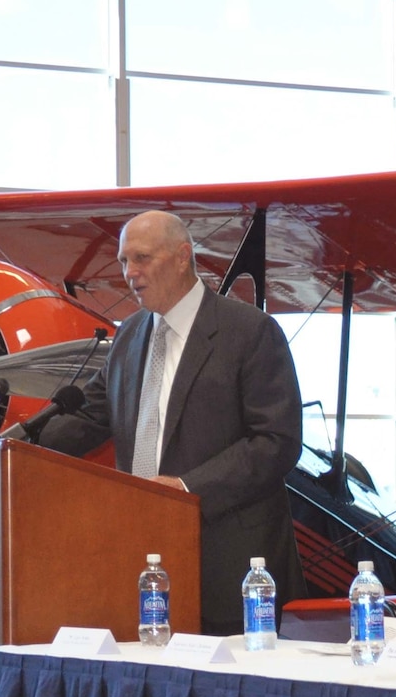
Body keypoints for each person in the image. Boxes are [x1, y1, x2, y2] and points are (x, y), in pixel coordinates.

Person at [37, 210, 303, 635]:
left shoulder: (249, 332)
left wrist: (183, 490)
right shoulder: (128, 335)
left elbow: (276, 441)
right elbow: (88, 417)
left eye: (141, 258)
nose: (130, 273)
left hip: (229, 566)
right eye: (124, 261)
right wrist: (14, 446)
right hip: (142, 560)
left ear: (182, 257)